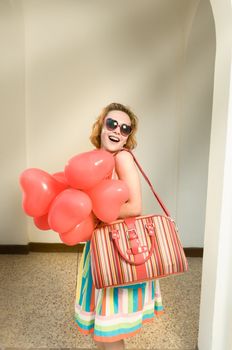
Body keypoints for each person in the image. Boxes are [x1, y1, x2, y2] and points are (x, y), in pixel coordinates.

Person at [74, 103, 164, 350]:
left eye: (125, 129)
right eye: (112, 124)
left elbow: (135, 207)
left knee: (111, 334)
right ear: (101, 124)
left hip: (119, 251)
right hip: (99, 248)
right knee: (101, 331)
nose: (117, 131)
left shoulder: (122, 158)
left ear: (128, 136)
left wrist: (93, 214)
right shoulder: (97, 159)